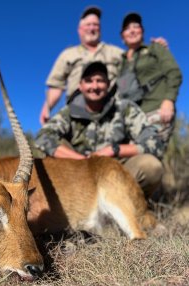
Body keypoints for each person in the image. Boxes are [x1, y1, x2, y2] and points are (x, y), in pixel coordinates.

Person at [35, 61, 164, 199]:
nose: (95, 86)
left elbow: (154, 142)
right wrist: (83, 161)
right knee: (47, 159)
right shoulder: (68, 112)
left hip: (116, 174)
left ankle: (135, 207)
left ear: (108, 84)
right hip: (78, 174)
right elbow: (43, 137)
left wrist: (114, 150)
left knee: (151, 166)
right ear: (81, 85)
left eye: (100, 81)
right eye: (89, 81)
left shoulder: (125, 108)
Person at [39, 6, 167, 125]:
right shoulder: (67, 55)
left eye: (96, 25)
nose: (92, 28)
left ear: (100, 28)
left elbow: (140, 64)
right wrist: (47, 107)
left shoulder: (116, 52)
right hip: (77, 116)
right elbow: (56, 86)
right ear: (80, 30)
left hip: (112, 117)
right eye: (88, 24)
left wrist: (154, 50)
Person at [117, 13, 182, 146]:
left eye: (137, 26)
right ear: (122, 36)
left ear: (142, 31)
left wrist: (169, 100)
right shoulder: (120, 62)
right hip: (131, 119)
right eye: (128, 28)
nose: (133, 30)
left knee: (148, 154)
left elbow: (174, 72)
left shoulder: (155, 48)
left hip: (156, 110)